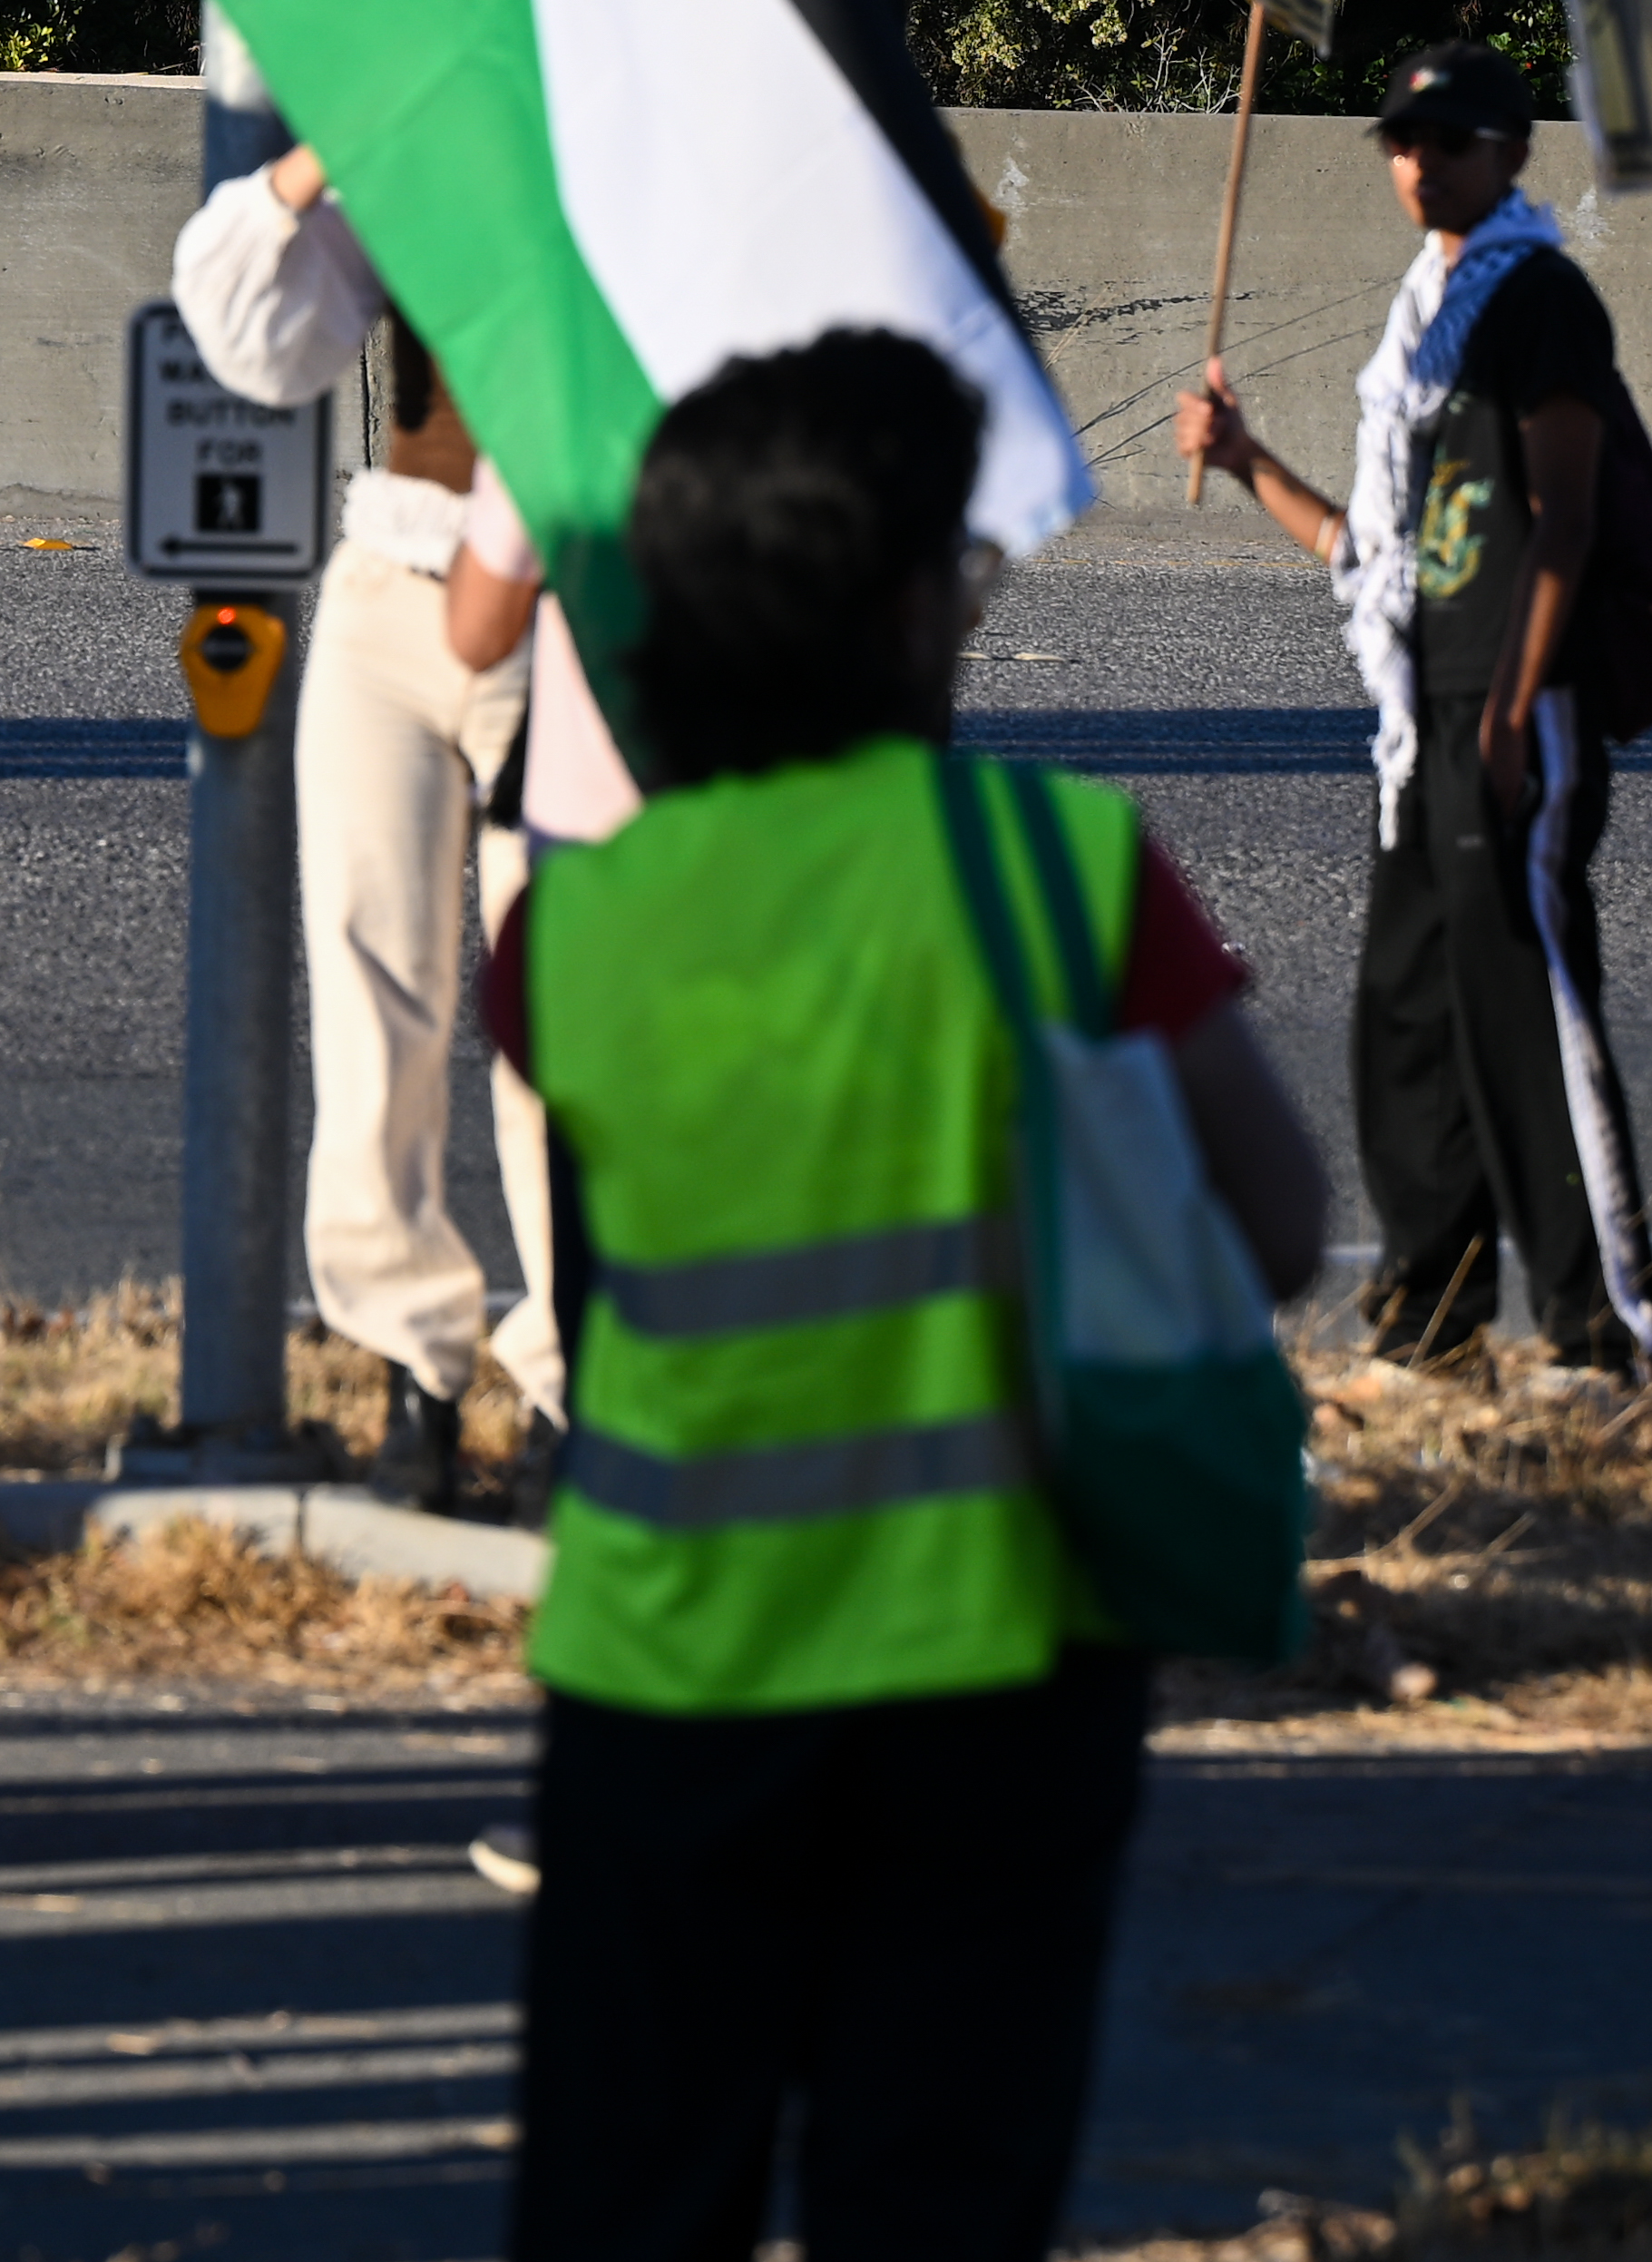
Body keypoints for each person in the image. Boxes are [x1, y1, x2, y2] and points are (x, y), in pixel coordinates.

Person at [499, 329, 1325, 2262]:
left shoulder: (567, 929)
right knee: (936, 2197)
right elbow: (1281, 1224)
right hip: (993, 1659)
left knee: (628, 2195)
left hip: (663, 1666)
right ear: (892, 612)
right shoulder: (1057, 862)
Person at [1175, 41, 1652, 1385]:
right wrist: (1245, 462)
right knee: (1405, 1018)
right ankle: (1428, 1323)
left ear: (1508, 151)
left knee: (1525, 1017)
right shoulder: (1422, 315)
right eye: (1400, 140)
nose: (1417, 162)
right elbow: (1377, 550)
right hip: (1418, 715)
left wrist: (1508, 712)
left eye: (1447, 140)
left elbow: (1562, 518)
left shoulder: (1537, 296)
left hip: (1514, 705)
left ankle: (1594, 1336)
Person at [172, 138, 544, 1504]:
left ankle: (572, 1384)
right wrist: (320, 150)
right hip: (390, 586)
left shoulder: (655, 132)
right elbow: (247, 333)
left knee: (561, 1011)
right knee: (365, 981)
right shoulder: (431, 135)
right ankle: (410, 1370)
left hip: (574, 605)